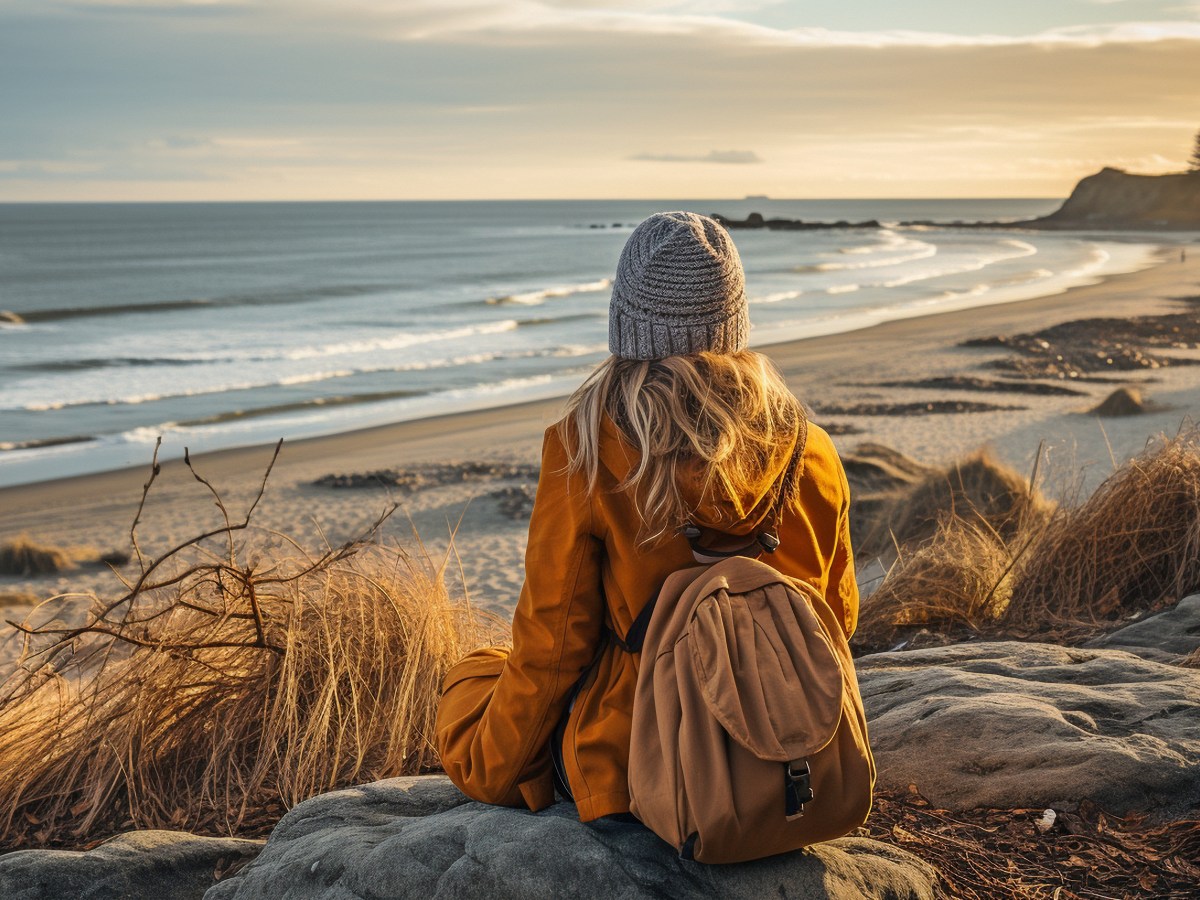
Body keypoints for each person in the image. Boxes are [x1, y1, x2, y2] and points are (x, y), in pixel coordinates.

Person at [435, 211, 858, 822]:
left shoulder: (588, 447)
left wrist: (493, 770)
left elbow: (553, 650)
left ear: (627, 325)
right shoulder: (807, 446)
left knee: (475, 672)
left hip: (643, 758)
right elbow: (837, 619)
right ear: (733, 322)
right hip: (797, 754)